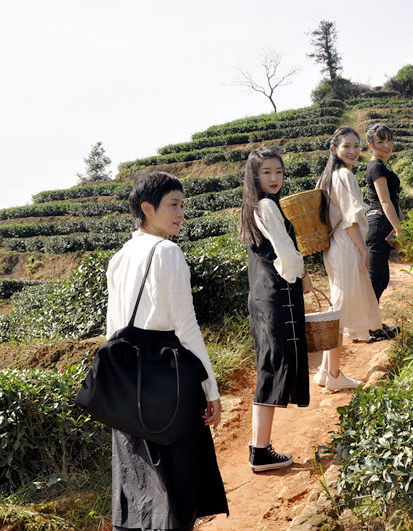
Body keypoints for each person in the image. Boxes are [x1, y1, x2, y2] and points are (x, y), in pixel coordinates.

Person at [106, 171, 228, 530]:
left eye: (182, 205)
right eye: (173, 205)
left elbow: (114, 328)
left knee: (138, 485)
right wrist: (211, 389)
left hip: (128, 382)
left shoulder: (120, 257)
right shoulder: (167, 252)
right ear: (147, 208)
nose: (180, 213)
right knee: (178, 486)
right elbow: (186, 328)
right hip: (167, 382)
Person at [238, 147, 311, 472]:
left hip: (263, 296)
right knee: (271, 368)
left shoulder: (255, 206)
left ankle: (260, 447)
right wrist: (303, 276)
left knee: (268, 366)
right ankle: (260, 450)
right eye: (267, 172)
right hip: (276, 297)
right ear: (255, 176)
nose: (274, 178)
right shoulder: (267, 206)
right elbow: (287, 253)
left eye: (279, 172)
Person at [314, 127, 383, 390]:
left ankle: (324, 371)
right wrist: (364, 251)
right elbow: (351, 221)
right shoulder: (344, 175)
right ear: (334, 149)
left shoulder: (331, 175)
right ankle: (333, 376)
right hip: (345, 246)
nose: (353, 151)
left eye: (356, 146)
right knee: (339, 312)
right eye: (347, 146)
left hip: (334, 248)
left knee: (337, 307)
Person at [364, 122, 403, 339]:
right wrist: (399, 228)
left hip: (383, 226)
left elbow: (394, 201)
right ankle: (371, 328)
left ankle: (373, 324)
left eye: (389, 140)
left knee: (382, 278)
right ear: (371, 144)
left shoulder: (384, 165)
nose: (387, 145)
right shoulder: (376, 166)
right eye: (380, 142)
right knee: (375, 279)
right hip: (379, 225)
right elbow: (385, 201)